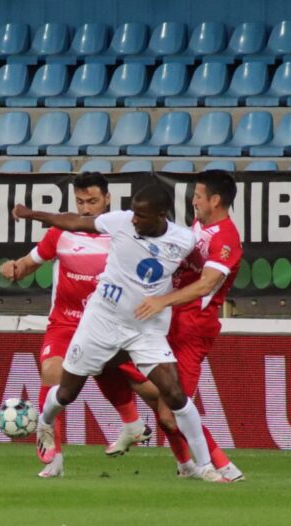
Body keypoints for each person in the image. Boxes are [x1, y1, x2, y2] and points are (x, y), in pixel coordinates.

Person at [12, 183, 233, 483]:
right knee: (67, 391)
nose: (134, 220)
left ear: (160, 215)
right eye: (134, 213)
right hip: (101, 322)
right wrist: (31, 214)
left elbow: (206, 273)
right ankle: (45, 422)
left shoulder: (183, 240)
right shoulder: (119, 221)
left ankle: (205, 466)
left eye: (141, 215)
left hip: (145, 330)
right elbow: (75, 221)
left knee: (175, 395)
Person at [0, 172, 157, 478]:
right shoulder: (61, 232)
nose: (86, 208)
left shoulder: (125, 233)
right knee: (52, 371)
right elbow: (30, 262)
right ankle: (53, 454)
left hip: (112, 325)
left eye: (93, 201)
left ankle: (178, 454)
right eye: (81, 201)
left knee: (160, 395)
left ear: (108, 199)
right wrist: (15, 268)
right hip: (66, 323)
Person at [111, 171, 244, 482]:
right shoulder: (200, 226)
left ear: (215, 200)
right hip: (171, 319)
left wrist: (163, 300)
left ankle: (226, 469)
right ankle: (185, 465)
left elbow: (206, 285)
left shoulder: (226, 239)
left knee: (172, 407)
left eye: (198, 196)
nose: (193, 201)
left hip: (192, 327)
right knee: (111, 362)